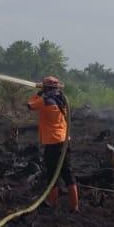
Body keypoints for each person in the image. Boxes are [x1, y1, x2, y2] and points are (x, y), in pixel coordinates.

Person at [27, 75, 78, 212]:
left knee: (52, 174)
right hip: (64, 141)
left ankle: (52, 204)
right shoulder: (62, 99)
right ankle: (74, 207)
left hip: (52, 142)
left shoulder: (44, 100)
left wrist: (39, 93)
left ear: (45, 87)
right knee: (67, 173)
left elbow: (30, 105)